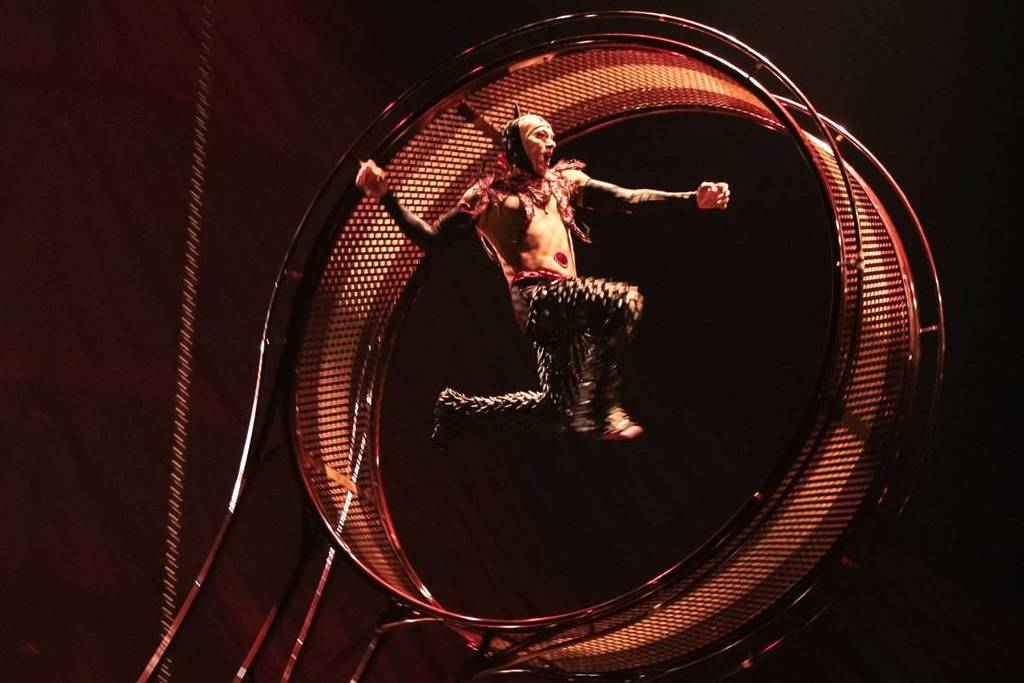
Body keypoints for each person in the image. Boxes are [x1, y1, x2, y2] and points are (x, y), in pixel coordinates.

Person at [356, 110, 729, 441]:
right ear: (516, 145)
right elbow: (433, 239)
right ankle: (600, 407)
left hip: (565, 304)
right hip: (536, 298)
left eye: (551, 135)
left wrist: (689, 198)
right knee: (622, 300)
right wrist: (386, 195)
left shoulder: (564, 184)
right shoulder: (490, 196)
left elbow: (626, 197)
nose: (550, 141)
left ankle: (458, 413)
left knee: (557, 410)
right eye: (539, 134)